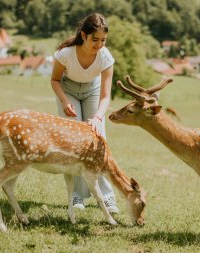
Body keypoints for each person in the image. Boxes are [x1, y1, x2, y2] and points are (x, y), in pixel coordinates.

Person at [50, 13, 119, 213]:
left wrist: (98, 118)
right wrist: (64, 101)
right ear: (84, 35)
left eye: (103, 40)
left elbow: (106, 96)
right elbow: (55, 80)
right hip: (68, 90)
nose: (99, 45)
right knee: (73, 144)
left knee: (99, 142)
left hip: (93, 91)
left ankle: (106, 198)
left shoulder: (105, 57)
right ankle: (76, 195)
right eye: (95, 40)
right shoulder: (66, 54)